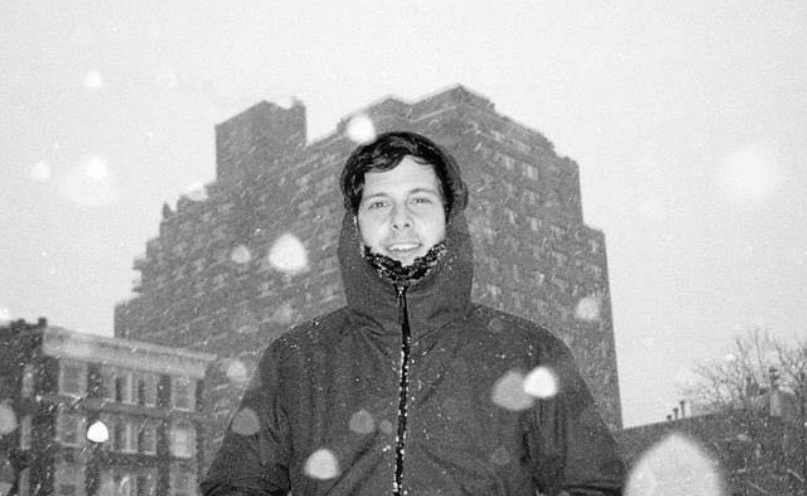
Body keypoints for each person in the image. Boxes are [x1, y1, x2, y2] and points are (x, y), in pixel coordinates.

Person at [201, 131, 625, 495]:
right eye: (379, 204)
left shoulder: (528, 352)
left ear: (449, 218)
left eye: (419, 200)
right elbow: (239, 484)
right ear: (355, 225)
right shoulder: (294, 359)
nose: (400, 220)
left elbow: (593, 484)